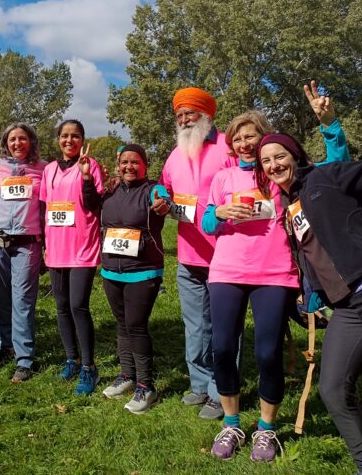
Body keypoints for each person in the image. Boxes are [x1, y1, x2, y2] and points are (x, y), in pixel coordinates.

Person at [202, 84, 348, 461]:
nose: (245, 143)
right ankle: (231, 423)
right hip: (227, 272)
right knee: (221, 348)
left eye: (252, 136)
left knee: (267, 353)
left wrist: (329, 125)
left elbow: (336, 165)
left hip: (273, 274)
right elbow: (204, 220)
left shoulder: (280, 174)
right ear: (231, 144)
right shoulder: (222, 178)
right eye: (238, 138)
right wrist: (219, 214)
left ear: (263, 137)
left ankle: (266, 430)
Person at [258, 135, 362, 475]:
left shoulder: (326, 177)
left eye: (279, 156)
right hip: (347, 306)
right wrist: (307, 294)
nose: (273, 165)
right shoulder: (288, 205)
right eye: (266, 161)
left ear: (295, 155)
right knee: (333, 390)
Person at [152, 87, 234, 420]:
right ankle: (200, 384)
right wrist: (158, 195)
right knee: (195, 325)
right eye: (180, 115)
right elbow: (163, 186)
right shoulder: (175, 153)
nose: (185, 120)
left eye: (191, 113)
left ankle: (221, 392)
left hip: (226, 254)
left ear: (206, 115)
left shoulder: (228, 145)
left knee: (223, 327)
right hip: (188, 255)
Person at [83, 144, 166, 413]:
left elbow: (165, 202)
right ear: (118, 165)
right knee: (122, 325)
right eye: (124, 162)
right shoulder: (112, 189)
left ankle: (146, 386)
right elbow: (90, 203)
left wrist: (163, 204)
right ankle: (128, 375)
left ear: (145, 164)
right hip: (111, 270)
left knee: (136, 325)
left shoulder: (153, 189)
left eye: (134, 162)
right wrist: (86, 178)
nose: (129, 167)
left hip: (143, 270)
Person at [39, 120, 104, 395]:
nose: (69, 140)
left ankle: (90, 368)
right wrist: (43, 244)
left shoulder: (91, 165)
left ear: (82, 139)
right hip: (56, 248)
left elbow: (94, 204)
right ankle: (72, 360)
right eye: (64, 136)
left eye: (75, 136)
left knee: (79, 306)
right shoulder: (49, 170)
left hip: (82, 247)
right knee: (62, 306)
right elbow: (44, 207)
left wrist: (87, 176)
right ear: (58, 139)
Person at [0, 123, 47, 383]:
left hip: (27, 240)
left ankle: (24, 359)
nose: (17, 143)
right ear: (5, 142)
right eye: (12, 139)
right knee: (1, 296)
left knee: (22, 298)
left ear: (31, 141)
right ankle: (6, 346)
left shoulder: (44, 169)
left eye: (23, 138)